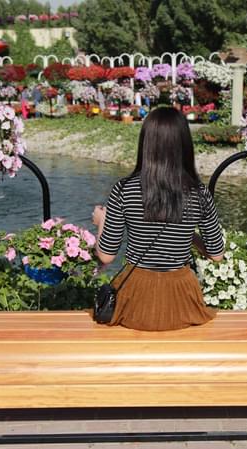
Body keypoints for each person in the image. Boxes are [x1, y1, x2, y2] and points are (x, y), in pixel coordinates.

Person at [92, 107, 225, 331]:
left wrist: (101, 221)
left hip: (135, 301)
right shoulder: (199, 193)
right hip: (183, 302)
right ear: (184, 145)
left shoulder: (124, 190)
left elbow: (106, 256)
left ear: (146, 143)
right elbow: (217, 254)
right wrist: (186, 235)